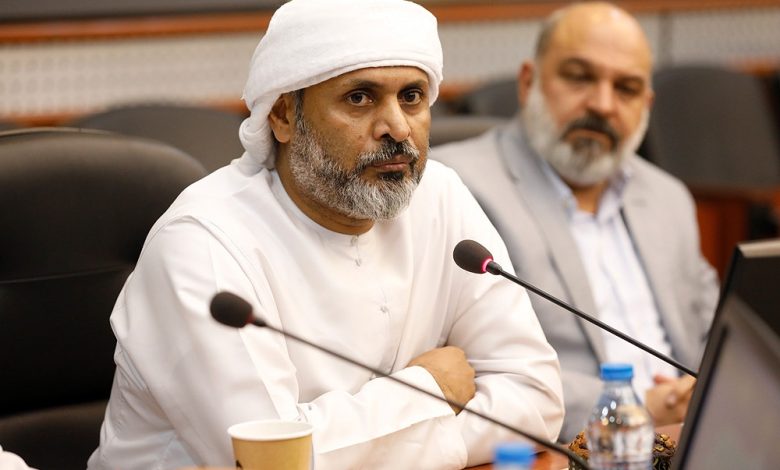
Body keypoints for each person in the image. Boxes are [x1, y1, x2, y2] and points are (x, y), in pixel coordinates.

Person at [86, 1, 564, 468]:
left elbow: (536, 398)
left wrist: (382, 443)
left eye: (412, 97)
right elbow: (271, 459)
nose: (398, 128)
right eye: (360, 98)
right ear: (283, 116)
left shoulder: (440, 195)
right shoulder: (203, 242)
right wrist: (430, 391)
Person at [432, 1, 718, 442]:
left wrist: (706, 393)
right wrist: (633, 408)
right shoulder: (456, 187)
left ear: (646, 104)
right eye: (579, 77)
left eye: (626, 88)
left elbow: (714, 332)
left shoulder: (668, 197)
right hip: (568, 452)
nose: (602, 104)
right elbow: (470, 364)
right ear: (528, 82)